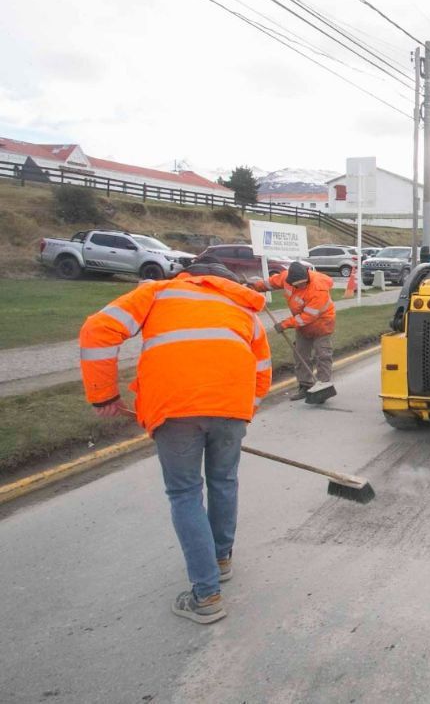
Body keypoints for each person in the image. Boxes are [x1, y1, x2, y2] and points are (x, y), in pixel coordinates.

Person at [79, 260, 272, 624]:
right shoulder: (243, 308)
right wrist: (241, 415)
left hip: (175, 411)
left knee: (185, 494)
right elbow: (262, 370)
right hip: (231, 409)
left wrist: (103, 395)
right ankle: (220, 560)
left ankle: (206, 596)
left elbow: (97, 329)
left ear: (190, 276)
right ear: (226, 283)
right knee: (224, 482)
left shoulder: (157, 292)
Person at [250, 261, 336, 402]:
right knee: (300, 354)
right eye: (297, 285)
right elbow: (270, 283)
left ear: (307, 279)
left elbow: (307, 317)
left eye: (302, 284)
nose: (299, 286)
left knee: (323, 354)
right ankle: (305, 385)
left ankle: (323, 386)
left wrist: (285, 324)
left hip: (322, 323)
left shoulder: (318, 289)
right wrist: (254, 287)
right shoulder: (286, 278)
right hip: (302, 325)